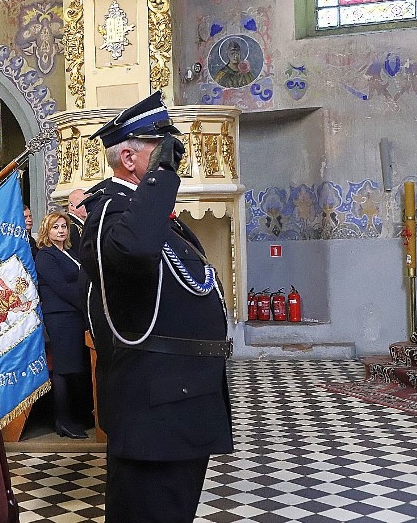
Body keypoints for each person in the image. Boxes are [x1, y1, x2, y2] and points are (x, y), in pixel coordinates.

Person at [80, 91, 233, 522]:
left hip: (180, 405)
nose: (172, 158)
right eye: (160, 147)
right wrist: (161, 175)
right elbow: (132, 249)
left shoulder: (157, 218)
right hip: (154, 413)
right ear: (128, 158)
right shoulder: (110, 212)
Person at [34, 211, 89, 439]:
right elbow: (60, 287)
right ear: (47, 230)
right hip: (60, 317)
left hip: (75, 316)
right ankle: (62, 420)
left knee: (78, 368)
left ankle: (78, 416)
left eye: (63, 227)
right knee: (64, 370)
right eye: (55, 227)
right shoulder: (45, 255)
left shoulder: (70, 252)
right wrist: (88, 301)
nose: (61, 231)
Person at [67, 188, 87, 256]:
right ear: (72, 206)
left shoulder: (81, 224)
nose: (88, 206)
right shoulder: (71, 226)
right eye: (84, 202)